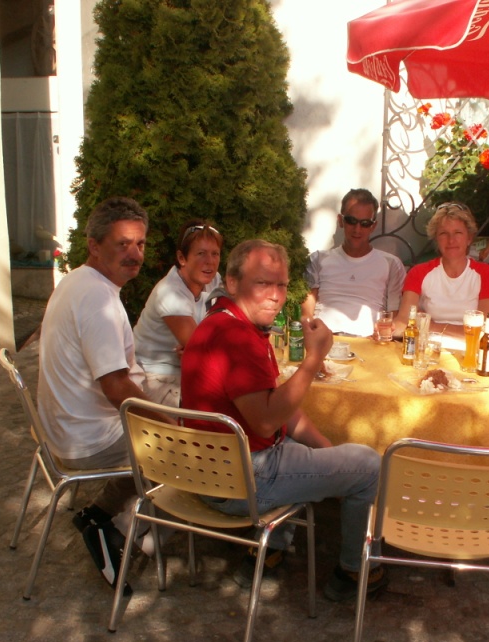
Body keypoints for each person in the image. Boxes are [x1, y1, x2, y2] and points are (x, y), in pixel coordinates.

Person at [180, 239, 387, 601]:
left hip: (205, 471)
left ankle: (269, 551)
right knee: (369, 465)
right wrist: (313, 360)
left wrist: (327, 452)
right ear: (232, 282)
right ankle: (355, 572)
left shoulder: (221, 320)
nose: (275, 296)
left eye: (281, 284)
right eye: (262, 283)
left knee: (302, 445)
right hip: (241, 482)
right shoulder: (239, 338)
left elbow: (279, 408)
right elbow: (265, 423)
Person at [37, 196, 158, 591]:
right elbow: (117, 389)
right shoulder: (97, 299)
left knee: (170, 409)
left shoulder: (78, 281)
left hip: (63, 429)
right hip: (85, 439)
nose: (134, 254)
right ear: (94, 245)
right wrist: (171, 426)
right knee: (187, 448)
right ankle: (119, 531)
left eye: (140, 244)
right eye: (122, 244)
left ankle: (99, 515)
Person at [133, 219, 223, 406]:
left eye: (215, 253)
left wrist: (204, 345)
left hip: (187, 373)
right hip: (155, 378)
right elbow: (202, 351)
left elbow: (231, 323)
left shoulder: (213, 280)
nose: (210, 261)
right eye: (201, 253)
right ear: (182, 258)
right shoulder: (170, 293)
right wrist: (202, 346)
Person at [301, 189, 406, 336]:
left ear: (373, 226)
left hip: (369, 341)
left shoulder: (391, 264)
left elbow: (393, 317)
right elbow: (307, 313)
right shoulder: (318, 259)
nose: (357, 229)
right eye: (351, 221)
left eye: (365, 223)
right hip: (325, 339)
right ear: (341, 221)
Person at [396, 202, 489, 344]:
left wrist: (431, 326)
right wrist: (385, 328)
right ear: (436, 239)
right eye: (443, 233)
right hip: (427, 349)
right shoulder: (418, 272)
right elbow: (403, 322)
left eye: (458, 233)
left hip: (469, 352)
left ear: (469, 238)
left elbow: (484, 333)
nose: (451, 240)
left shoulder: (486, 274)